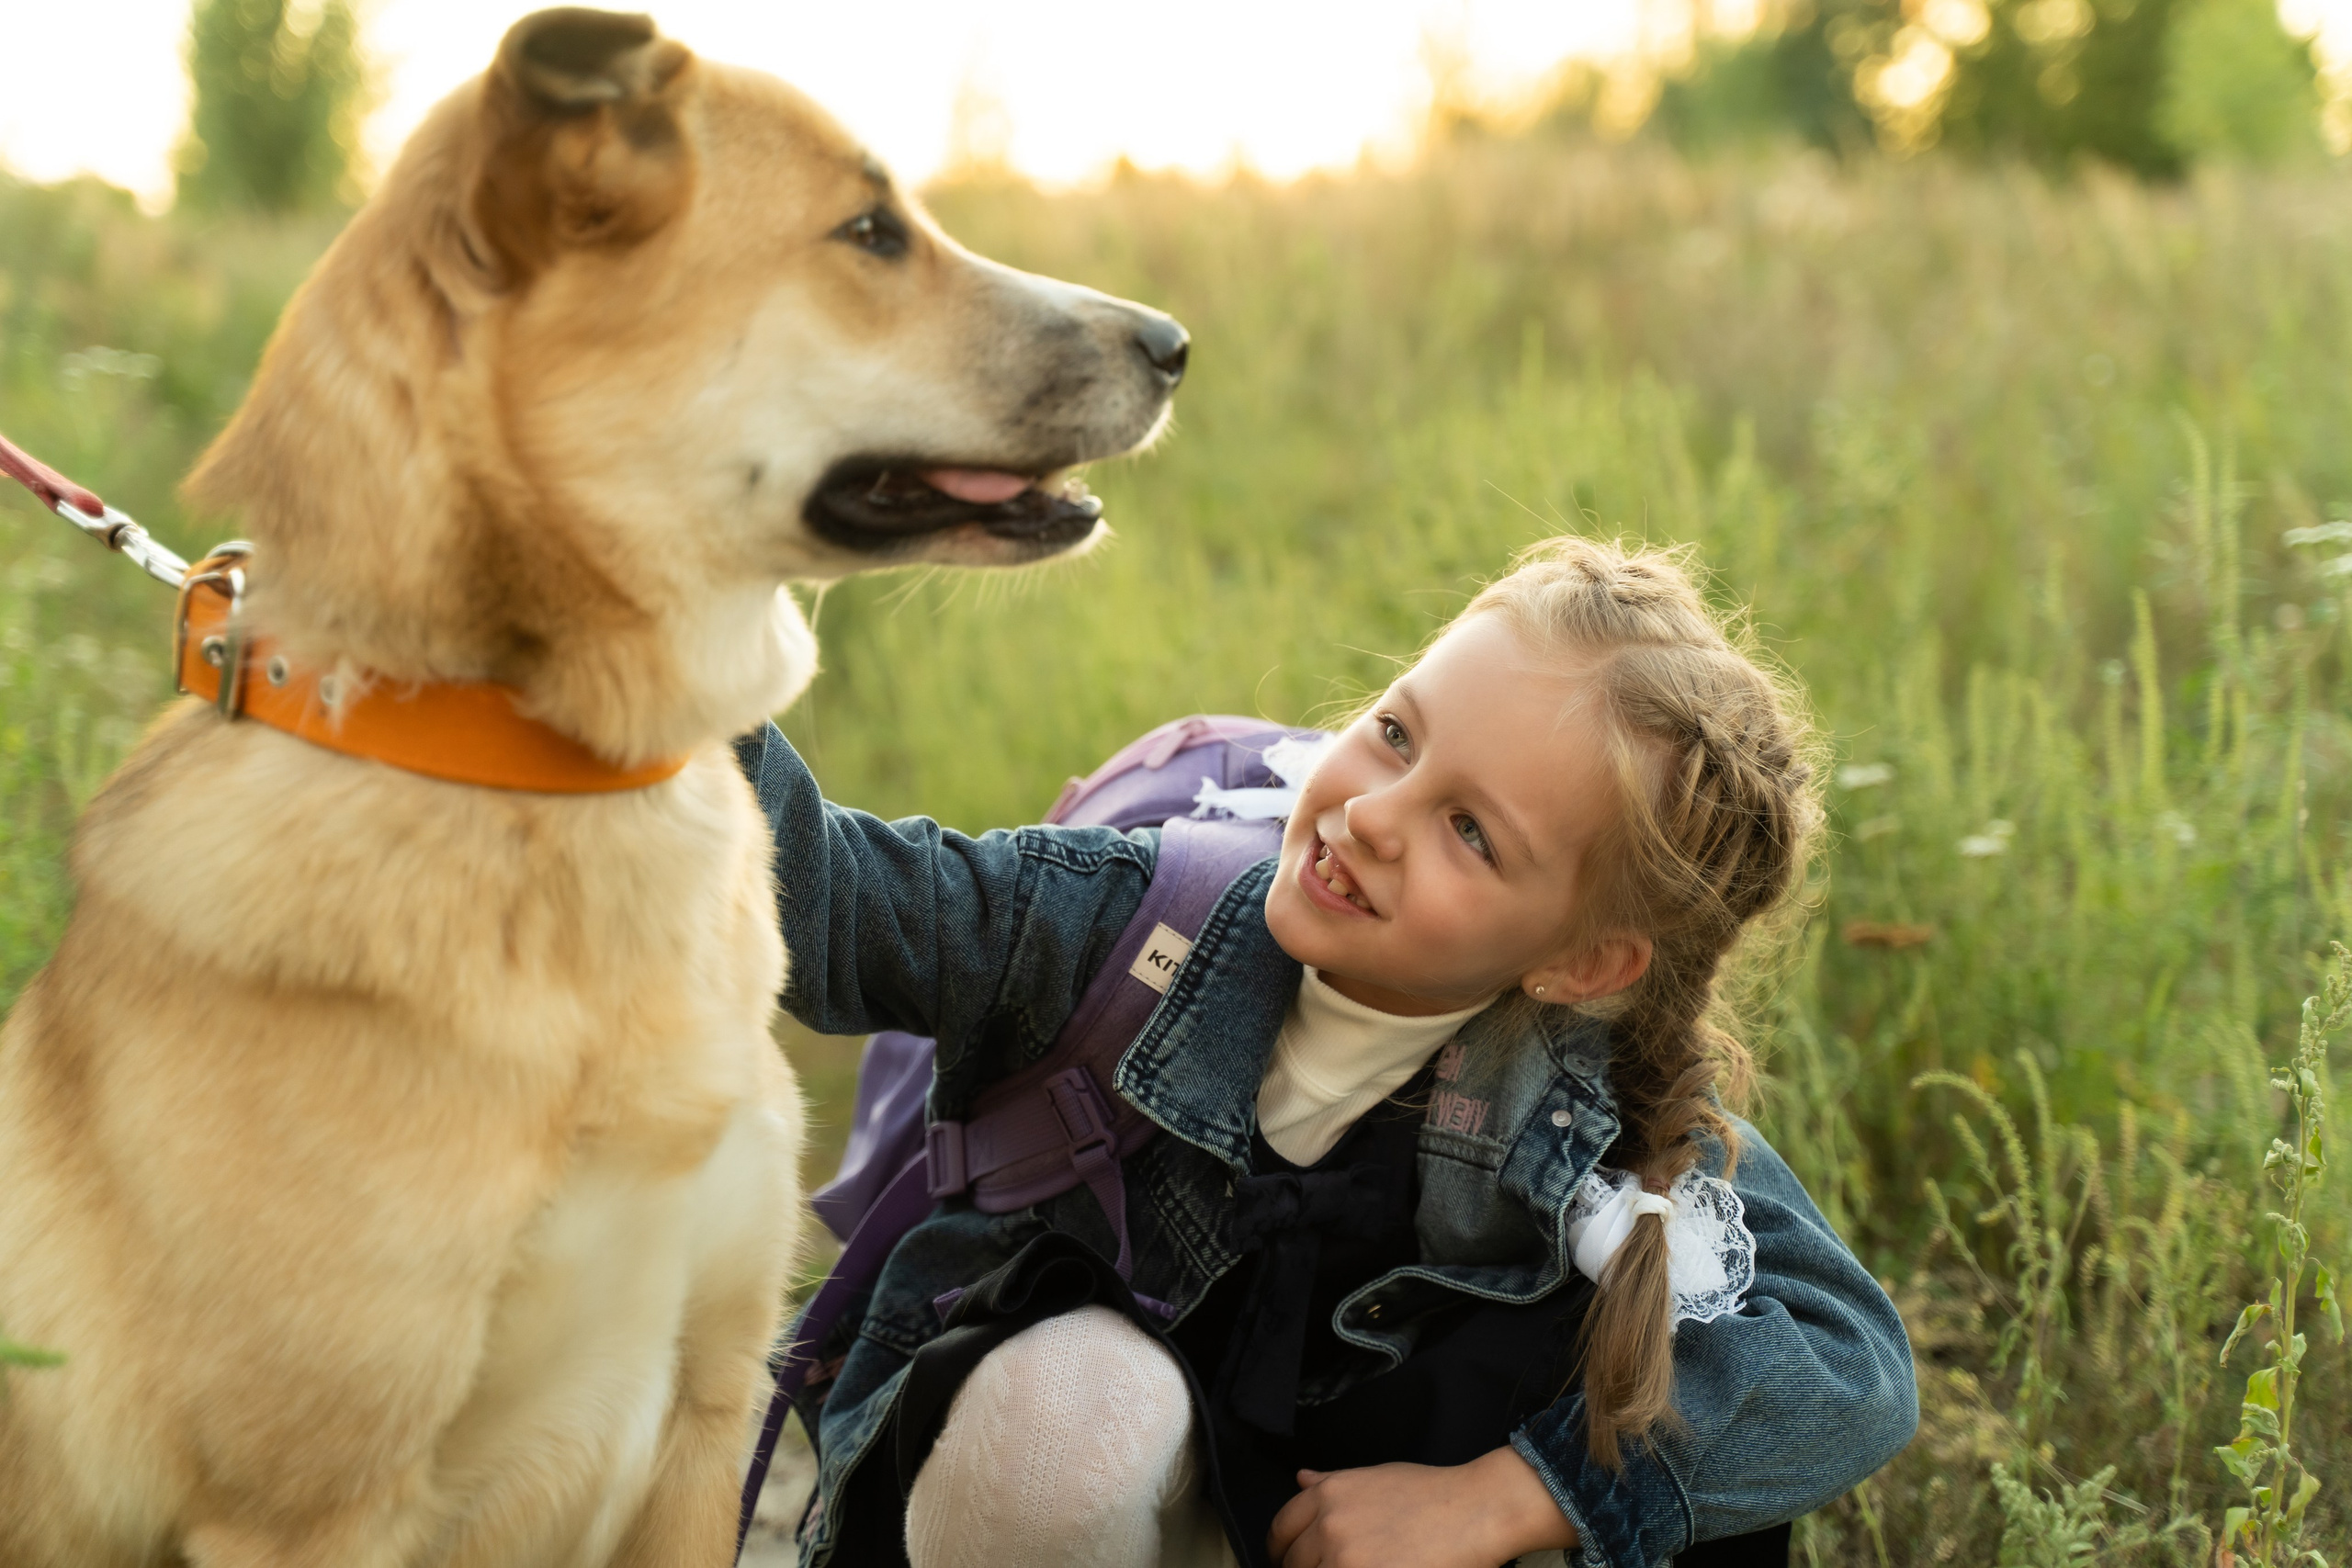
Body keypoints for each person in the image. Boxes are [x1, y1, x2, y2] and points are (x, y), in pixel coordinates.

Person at [738, 536, 1917, 1568]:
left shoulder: (1588, 1113)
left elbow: (1851, 1362)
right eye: (1394, 734)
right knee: (1076, 1416)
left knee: (1639, 1399)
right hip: (1025, 1509)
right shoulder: (1121, 925)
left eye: (1469, 832)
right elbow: (830, 901)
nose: (1370, 817)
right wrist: (651, 638)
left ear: (1582, 966)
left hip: (1334, 1524)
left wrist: (1508, 1501)